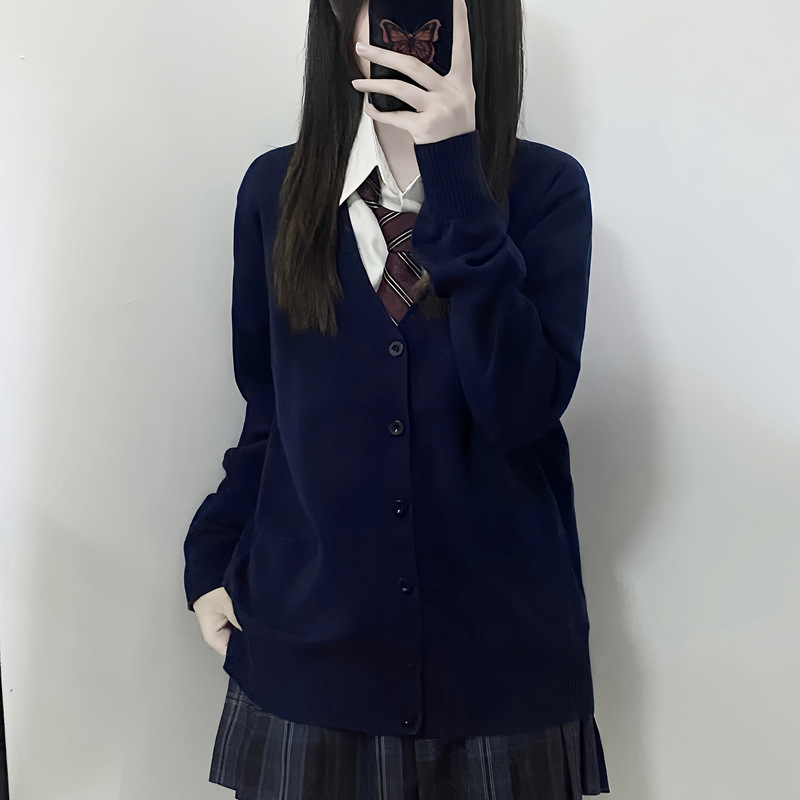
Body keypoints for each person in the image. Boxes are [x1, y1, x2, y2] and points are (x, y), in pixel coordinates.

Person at [183, 0, 611, 797]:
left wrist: (455, 173)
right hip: (309, 666)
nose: (406, 30)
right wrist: (211, 559)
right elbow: (268, 412)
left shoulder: (547, 189)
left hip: (498, 672)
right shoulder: (276, 191)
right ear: (340, 19)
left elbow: (519, 407)